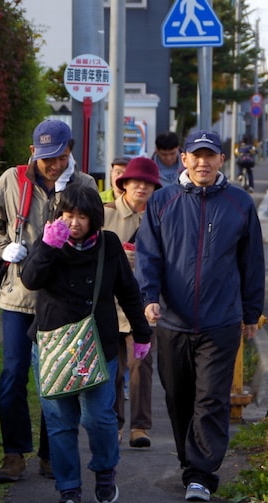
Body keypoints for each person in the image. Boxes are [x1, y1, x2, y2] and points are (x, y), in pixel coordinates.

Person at [135, 129, 265, 502]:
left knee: (211, 400)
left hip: (220, 321)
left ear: (222, 160)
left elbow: (252, 261)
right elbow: (148, 255)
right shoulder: (162, 201)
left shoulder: (240, 203)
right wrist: (149, 297)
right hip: (172, 321)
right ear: (184, 159)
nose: (203, 162)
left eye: (211, 156)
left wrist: (251, 311)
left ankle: (202, 474)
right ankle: (188, 462)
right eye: (197, 156)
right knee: (178, 398)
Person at [0, 120, 97, 483]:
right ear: (33, 153)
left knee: (56, 379)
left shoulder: (84, 184)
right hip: (17, 297)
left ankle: (50, 454)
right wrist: (3, 249)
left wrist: (67, 201)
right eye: (46, 159)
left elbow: (93, 234)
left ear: (70, 150)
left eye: (60, 157)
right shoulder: (12, 180)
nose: (54, 165)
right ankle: (14, 454)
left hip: (61, 300)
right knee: (13, 375)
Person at [21, 184, 152, 503]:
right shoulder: (50, 242)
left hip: (98, 343)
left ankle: (105, 470)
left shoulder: (108, 245)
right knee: (61, 420)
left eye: (81, 215)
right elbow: (31, 280)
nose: (74, 222)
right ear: (58, 215)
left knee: (98, 417)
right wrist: (48, 247)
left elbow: (128, 291)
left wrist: (142, 334)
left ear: (94, 217)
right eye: (67, 214)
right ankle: (69, 488)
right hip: (53, 345)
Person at [102, 157, 161, 449]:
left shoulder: (160, 216)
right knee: (112, 367)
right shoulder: (104, 214)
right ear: (123, 183)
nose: (142, 187)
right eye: (136, 181)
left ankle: (140, 426)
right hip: (108, 305)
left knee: (141, 365)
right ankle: (114, 425)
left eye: (148, 183)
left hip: (143, 305)